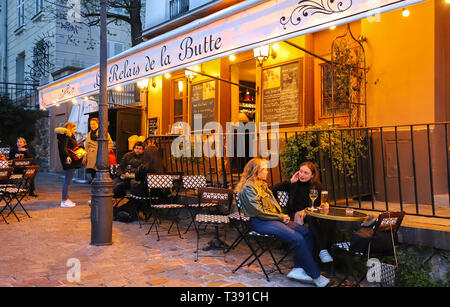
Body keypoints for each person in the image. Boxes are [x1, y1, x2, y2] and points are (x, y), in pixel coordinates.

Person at [235, 158, 329, 287]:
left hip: (273, 219)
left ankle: (298, 268)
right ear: (257, 171)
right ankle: (316, 276)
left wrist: (281, 216)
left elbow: (272, 204)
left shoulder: (261, 184)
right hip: (261, 222)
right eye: (265, 170)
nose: (267, 172)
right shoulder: (248, 188)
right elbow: (258, 212)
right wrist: (280, 217)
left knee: (306, 232)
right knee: (297, 238)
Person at [271, 161, 334, 264]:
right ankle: (322, 251)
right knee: (311, 219)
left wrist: (325, 205)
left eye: (306, 173)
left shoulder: (318, 187)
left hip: (311, 216)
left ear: (312, 175)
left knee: (315, 218)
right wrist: (290, 181)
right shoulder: (294, 184)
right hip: (293, 215)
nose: (302, 175)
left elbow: (322, 204)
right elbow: (272, 189)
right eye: (301, 171)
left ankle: (320, 254)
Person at [55, 122, 85, 207]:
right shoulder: (65, 136)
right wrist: (67, 156)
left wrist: (79, 146)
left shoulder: (68, 136)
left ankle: (66, 199)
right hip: (69, 161)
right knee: (67, 181)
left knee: (68, 180)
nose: (75, 131)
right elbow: (63, 148)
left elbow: (69, 147)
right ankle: (64, 200)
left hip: (71, 160)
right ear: (69, 128)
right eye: (74, 129)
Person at [84, 117, 114, 182]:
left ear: (98, 124)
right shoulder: (90, 133)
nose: (92, 126)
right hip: (91, 155)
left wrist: (105, 152)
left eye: (94, 124)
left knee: (98, 170)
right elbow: (86, 145)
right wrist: (85, 156)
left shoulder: (103, 133)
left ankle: (98, 183)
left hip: (99, 155)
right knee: (91, 170)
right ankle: (94, 182)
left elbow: (110, 144)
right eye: (91, 124)